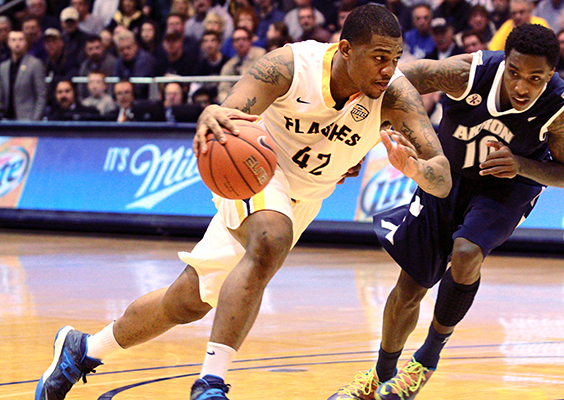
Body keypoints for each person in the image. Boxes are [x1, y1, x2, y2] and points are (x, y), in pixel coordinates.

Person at [35, 5, 452, 400]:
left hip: (305, 198)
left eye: (395, 58)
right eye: (379, 57)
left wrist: (414, 170)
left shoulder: (394, 95)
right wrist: (212, 114)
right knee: (271, 237)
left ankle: (83, 349)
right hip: (255, 170)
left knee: (188, 301)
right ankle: (210, 383)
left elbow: (442, 176)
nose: (388, 69)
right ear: (345, 49)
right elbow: (230, 112)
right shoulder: (292, 66)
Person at [328, 23, 564, 400]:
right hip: (445, 175)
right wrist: (356, 145)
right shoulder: (467, 73)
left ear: (550, 76)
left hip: (508, 187)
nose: (521, 87)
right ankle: (381, 375)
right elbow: (395, 83)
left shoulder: (561, 105)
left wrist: (521, 165)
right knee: (410, 285)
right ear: (504, 61)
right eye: (514, 72)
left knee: (466, 252)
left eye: (535, 78)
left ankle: (425, 361)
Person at [0, 30, 47, 120]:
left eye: (20, 39)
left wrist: (35, 121)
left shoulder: (35, 64)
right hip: (6, 120)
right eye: (13, 40)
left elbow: (41, 95)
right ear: (8, 43)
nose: (17, 43)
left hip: (27, 119)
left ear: (26, 42)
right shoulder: (3, 67)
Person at [217, 27, 266, 102]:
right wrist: (228, 104)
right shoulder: (230, 64)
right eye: (237, 40)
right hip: (237, 103)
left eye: (244, 39)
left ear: (250, 41)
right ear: (233, 44)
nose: (240, 43)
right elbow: (223, 89)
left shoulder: (261, 55)